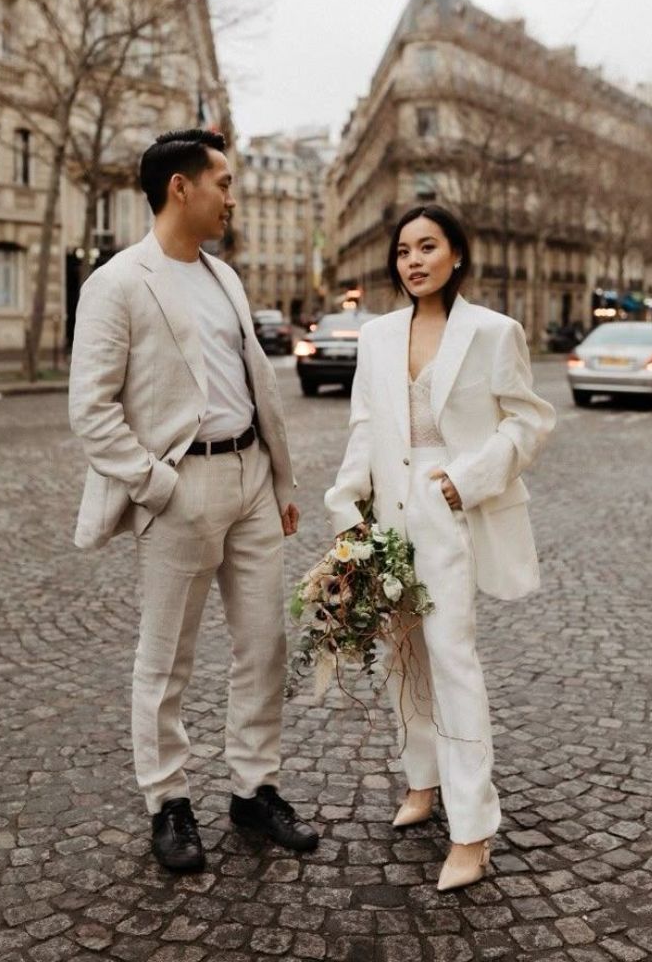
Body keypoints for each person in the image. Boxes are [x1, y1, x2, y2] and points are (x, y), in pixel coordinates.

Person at [69, 128, 318, 873]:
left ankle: (253, 788)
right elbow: (92, 410)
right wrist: (158, 485)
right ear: (181, 188)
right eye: (223, 183)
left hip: (247, 479)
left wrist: (276, 481)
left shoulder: (224, 277)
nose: (231, 198)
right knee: (166, 657)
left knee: (264, 644)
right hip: (180, 487)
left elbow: (253, 384)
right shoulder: (117, 282)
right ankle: (168, 800)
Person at [325, 204, 555, 891]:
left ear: (458, 253)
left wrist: (466, 479)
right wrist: (348, 515)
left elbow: (530, 422)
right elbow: (364, 427)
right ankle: (420, 782)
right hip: (388, 517)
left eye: (428, 247)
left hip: (450, 510)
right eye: (403, 251)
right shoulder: (377, 335)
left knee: (452, 660)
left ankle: (473, 829)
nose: (413, 261)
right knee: (401, 658)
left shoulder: (492, 332)